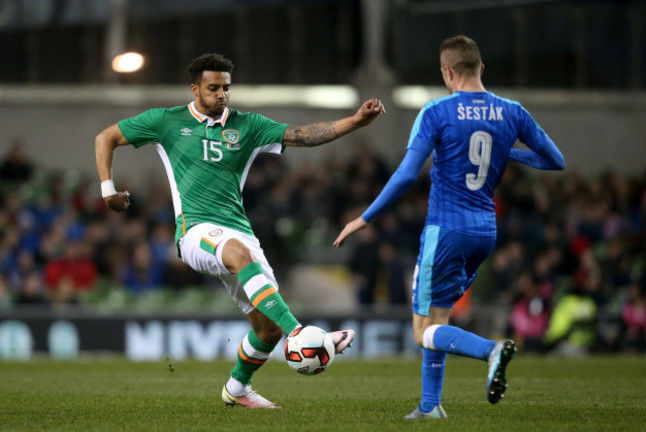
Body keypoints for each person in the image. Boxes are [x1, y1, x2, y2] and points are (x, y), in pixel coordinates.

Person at [95, 53, 386, 409]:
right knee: (243, 261)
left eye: (226, 88)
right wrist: (108, 192)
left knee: (267, 329)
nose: (221, 94)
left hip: (239, 232)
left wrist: (356, 121)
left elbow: (305, 135)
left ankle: (237, 389)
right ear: (195, 89)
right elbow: (105, 137)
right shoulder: (166, 121)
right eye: (213, 88)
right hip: (195, 232)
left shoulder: (248, 126)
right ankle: (302, 333)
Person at [334, 35, 565, 419]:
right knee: (438, 318)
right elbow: (554, 160)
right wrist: (508, 150)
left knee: (423, 331)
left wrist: (364, 217)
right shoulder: (512, 111)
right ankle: (430, 407)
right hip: (485, 233)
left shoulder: (437, 112)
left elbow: (408, 176)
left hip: (446, 230)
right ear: (481, 68)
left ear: (447, 72)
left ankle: (489, 351)